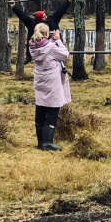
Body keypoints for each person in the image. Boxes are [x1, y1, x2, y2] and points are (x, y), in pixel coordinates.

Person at [28, 23, 70, 151]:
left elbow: (45, 47)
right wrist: (58, 40)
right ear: (46, 34)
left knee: (40, 109)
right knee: (52, 110)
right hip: (52, 83)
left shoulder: (33, 45)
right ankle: (47, 142)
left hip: (40, 82)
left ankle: (41, 142)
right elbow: (65, 55)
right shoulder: (51, 47)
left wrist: (52, 40)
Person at [10, 0, 75, 34]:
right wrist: (14, 7)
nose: (46, 17)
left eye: (45, 15)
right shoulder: (32, 24)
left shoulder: (52, 20)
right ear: (39, 18)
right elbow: (22, 16)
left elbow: (60, 10)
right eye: (43, 17)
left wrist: (68, 1)